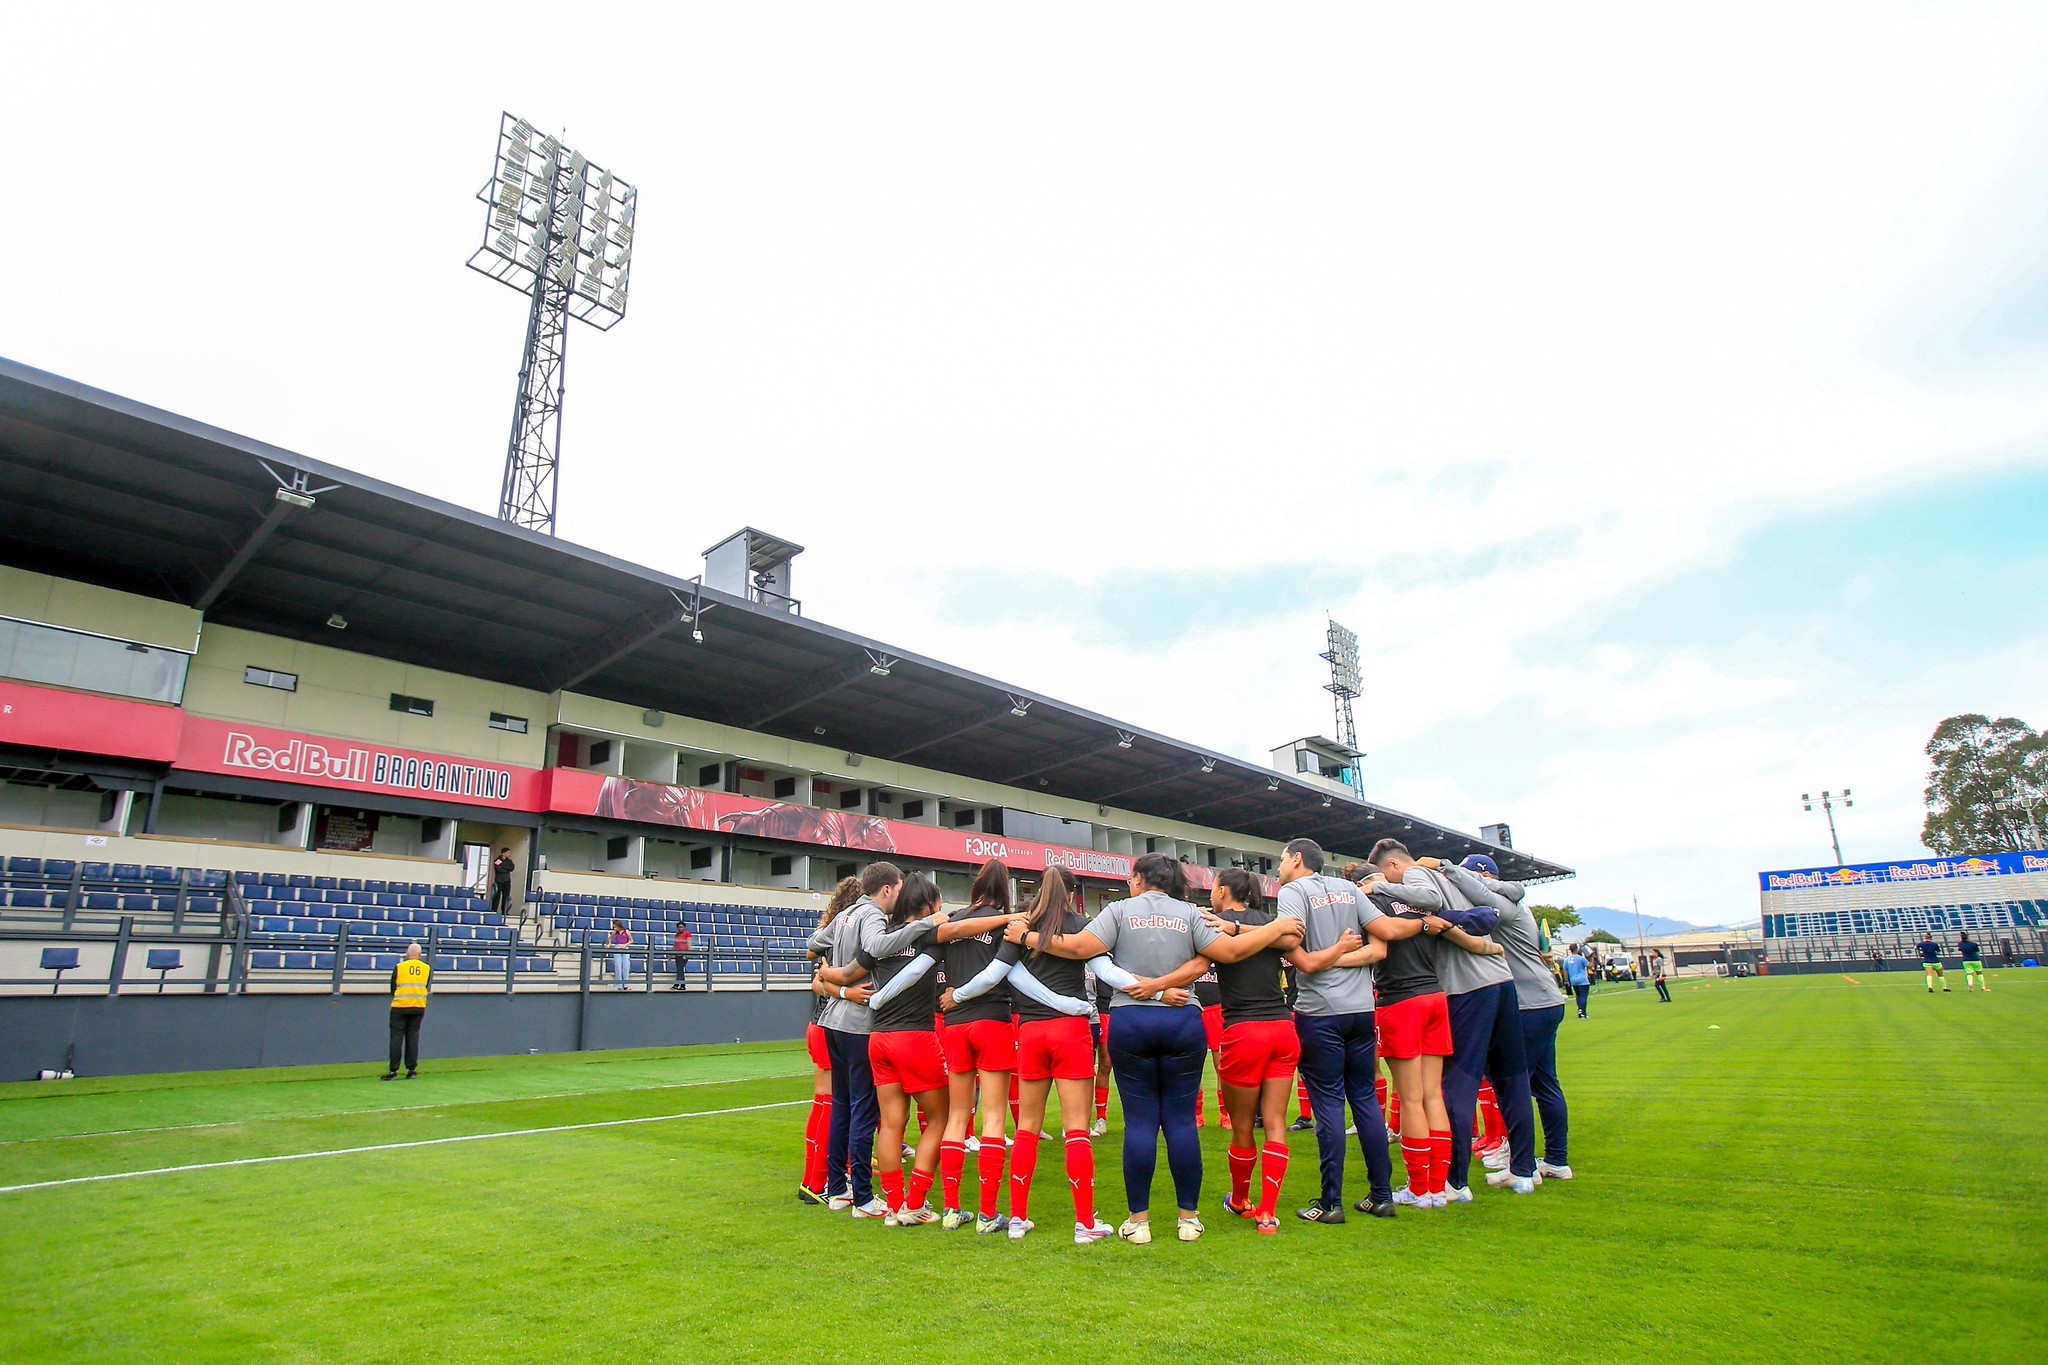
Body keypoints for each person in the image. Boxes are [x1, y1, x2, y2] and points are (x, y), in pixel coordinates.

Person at [1029, 852, 1299, 1244]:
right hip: (1182, 1020)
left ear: (1138, 879)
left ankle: (1138, 1221)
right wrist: (1276, 927)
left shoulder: (1120, 911)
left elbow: (1076, 948)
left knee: (1139, 1123)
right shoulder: (1190, 913)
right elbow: (1230, 953)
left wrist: (1026, 936)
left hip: (1131, 1021)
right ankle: (1188, 1219)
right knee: (1180, 1122)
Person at [950, 866, 1110, 1244]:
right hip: (1070, 1033)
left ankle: (1019, 1218)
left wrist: (956, 995)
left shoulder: (1021, 924)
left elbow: (994, 974)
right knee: (1076, 1130)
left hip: (1031, 1033)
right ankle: (1084, 1223)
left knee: (1026, 1129)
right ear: (1072, 893)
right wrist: (1152, 989)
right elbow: (1107, 970)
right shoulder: (1081, 925)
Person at [1368, 838, 1533, 1202]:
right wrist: (1484, 943)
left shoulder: (1414, 877)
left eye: (1386, 876)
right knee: (1512, 1078)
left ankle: (1453, 1182)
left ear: (1393, 867)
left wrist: (1380, 887)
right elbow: (1494, 912)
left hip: (1466, 988)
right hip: (1500, 980)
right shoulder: (1453, 876)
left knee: (1454, 1085)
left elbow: (1429, 906)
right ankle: (1524, 1170)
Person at [1268, 838, 1409, 1225]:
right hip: (1361, 1009)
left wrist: (1329, 956)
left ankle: (1331, 1203)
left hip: (1319, 1013)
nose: (1278, 868)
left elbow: (1304, 959)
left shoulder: (1293, 892)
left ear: (1297, 859)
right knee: (1364, 1100)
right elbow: (1384, 935)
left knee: (1328, 1104)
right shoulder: (1348, 889)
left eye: (1281, 860)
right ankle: (1381, 1196)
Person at [807, 862, 928, 1218]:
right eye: (899, 888)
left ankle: (837, 1189)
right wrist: (923, 925)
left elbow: (813, 945)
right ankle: (862, 1195)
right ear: (887, 889)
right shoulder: (872, 914)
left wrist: (835, 978)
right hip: (859, 1024)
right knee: (863, 1108)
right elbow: (876, 946)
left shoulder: (845, 914)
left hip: (831, 1021)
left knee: (842, 1106)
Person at [1441, 855, 1569, 1185]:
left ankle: (1521, 1163)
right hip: (1543, 1000)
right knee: (1543, 1083)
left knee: (1512, 1084)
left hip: (1528, 1003)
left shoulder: (1505, 905)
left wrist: (1448, 872)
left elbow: (1483, 899)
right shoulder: (1514, 902)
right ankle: (1553, 1159)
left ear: (1485, 875)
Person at [1342, 863, 1453, 1208]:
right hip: (1435, 996)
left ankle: (1419, 1189)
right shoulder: (1420, 901)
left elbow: (1378, 946)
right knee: (1433, 1095)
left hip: (1400, 1000)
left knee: (1411, 1099)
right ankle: (1439, 1187)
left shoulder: (1372, 902)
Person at [1206, 868, 1307, 1234]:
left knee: (1243, 1125)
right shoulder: (1272, 922)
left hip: (1243, 1032)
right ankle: (1268, 1212)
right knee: (1277, 1122)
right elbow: (1295, 936)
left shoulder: (1214, 921)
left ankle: (1239, 1200)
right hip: (1282, 1027)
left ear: (1222, 891)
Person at [799, 878, 863, 1204]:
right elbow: (817, 983)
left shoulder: (829, 935)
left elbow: (815, 977)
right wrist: (846, 992)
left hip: (820, 1025)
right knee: (833, 1103)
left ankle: (816, 1178)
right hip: (831, 1026)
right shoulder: (843, 938)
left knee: (828, 1102)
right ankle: (820, 1181)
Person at [381, 942, 431, 1080]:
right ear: (420, 955)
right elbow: (426, 985)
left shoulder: (399, 967)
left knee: (397, 1037)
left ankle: (393, 1071)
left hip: (400, 1005)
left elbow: (393, 987)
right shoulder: (426, 968)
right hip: (418, 1005)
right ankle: (412, 1070)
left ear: (407, 954)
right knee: (413, 1037)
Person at [1563, 945, 1591, 1017]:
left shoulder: (1567, 959)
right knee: (1583, 996)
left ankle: (1580, 1010)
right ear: (1577, 949)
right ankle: (1582, 1011)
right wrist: (1592, 957)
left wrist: (1566, 980)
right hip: (1582, 980)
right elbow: (1590, 965)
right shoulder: (1581, 958)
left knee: (1578, 996)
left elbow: (1565, 970)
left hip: (1573, 980)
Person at [490, 847, 516, 919]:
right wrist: (506, 868)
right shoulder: (497, 860)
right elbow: (498, 869)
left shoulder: (509, 861)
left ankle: (504, 911)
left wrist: (504, 867)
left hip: (507, 881)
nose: (509, 854)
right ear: (504, 853)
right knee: (497, 896)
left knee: (506, 896)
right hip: (499, 881)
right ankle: (493, 910)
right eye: (508, 853)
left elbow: (512, 868)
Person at [607, 919, 633, 990]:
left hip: (625, 948)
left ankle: (626, 985)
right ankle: (619, 985)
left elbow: (631, 940)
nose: (614, 928)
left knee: (626, 966)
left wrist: (625, 945)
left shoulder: (626, 931)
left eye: (615, 927)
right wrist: (609, 943)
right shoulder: (615, 932)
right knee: (618, 966)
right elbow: (610, 938)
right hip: (617, 947)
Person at [671, 921, 694, 991]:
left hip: (684, 954)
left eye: (682, 927)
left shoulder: (687, 934)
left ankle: (677, 984)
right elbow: (674, 945)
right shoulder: (676, 935)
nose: (680, 928)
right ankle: (681, 985)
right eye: (679, 927)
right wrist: (670, 955)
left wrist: (688, 954)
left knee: (680, 968)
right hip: (677, 954)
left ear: (684, 927)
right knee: (679, 969)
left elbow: (689, 944)